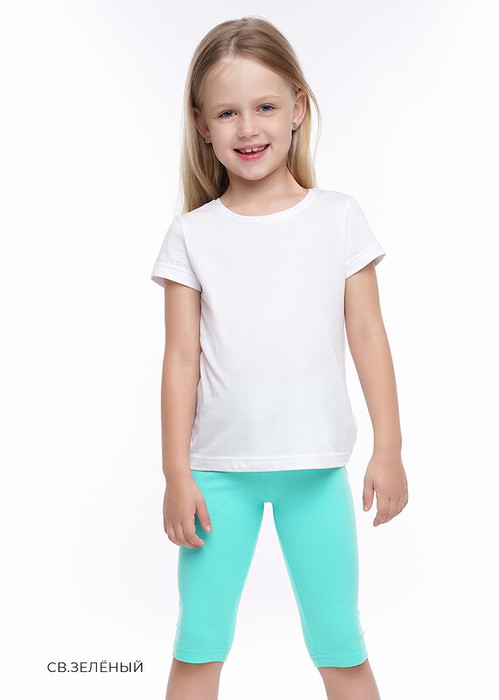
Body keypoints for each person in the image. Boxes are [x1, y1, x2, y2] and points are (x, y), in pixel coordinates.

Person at [151, 15, 408, 700]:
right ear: (202, 125)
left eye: (264, 107)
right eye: (227, 112)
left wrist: (388, 448)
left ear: (297, 108)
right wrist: (176, 473)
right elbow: (180, 360)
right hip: (217, 476)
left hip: (316, 472)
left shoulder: (338, 217)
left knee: (339, 642)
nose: (247, 128)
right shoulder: (191, 236)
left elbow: (368, 336)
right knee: (199, 640)